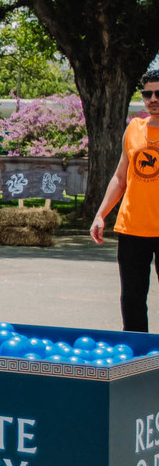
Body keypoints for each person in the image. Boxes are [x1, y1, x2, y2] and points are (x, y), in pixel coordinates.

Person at [91, 71, 159, 328]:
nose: (153, 99)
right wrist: (100, 214)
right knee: (132, 298)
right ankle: (136, 348)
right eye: (148, 94)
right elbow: (120, 178)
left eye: (158, 94)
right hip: (132, 227)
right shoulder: (133, 129)